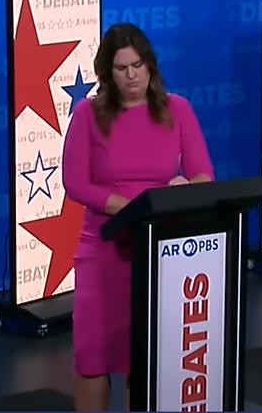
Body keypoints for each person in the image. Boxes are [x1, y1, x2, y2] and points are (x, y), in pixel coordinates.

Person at [62, 23, 214, 411]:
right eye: (121, 68)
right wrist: (129, 206)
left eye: (138, 65)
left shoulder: (178, 109)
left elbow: (202, 174)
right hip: (104, 249)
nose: (132, 76)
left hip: (158, 250)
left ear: (151, 66)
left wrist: (185, 188)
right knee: (93, 356)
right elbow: (75, 183)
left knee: (143, 356)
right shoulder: (87, 114)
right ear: (107, 73)